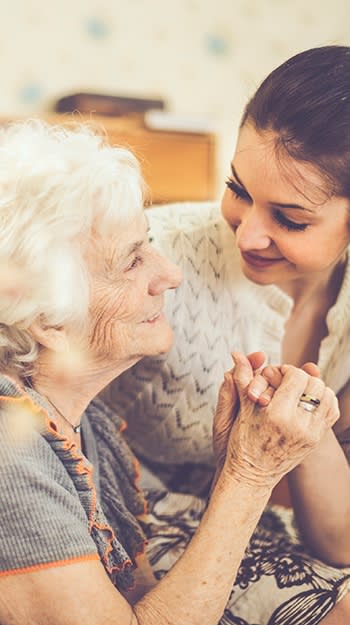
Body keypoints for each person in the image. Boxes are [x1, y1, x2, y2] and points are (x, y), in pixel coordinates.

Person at [0, 119, 342, 625]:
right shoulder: (13, 457)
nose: (171, 273)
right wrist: (249, 476)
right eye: (133, 261)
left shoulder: (85, 429)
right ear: (47, 318)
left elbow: (145, 601)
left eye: (149, 243)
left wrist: (240, 469)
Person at [105, 45, 350, 623]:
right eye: (238, 189)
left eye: (290, 219)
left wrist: (304, 423)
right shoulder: (156, 257)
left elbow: (340, 540)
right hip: (128, 523)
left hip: (262, 524)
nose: (247, 236)